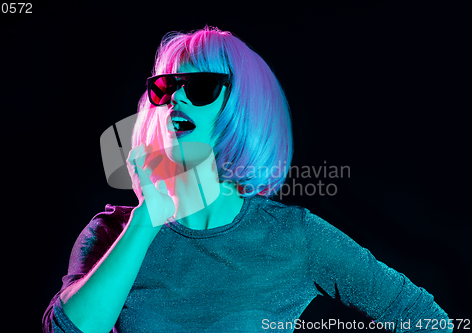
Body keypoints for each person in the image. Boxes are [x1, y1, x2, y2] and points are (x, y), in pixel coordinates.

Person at [43, 26, 451, 333]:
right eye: (166, 87)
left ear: (242, 108)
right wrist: (146, 221)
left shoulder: (292, 236)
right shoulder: (112, 231)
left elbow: (423, 318)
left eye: (199, 86)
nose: (177, 99)